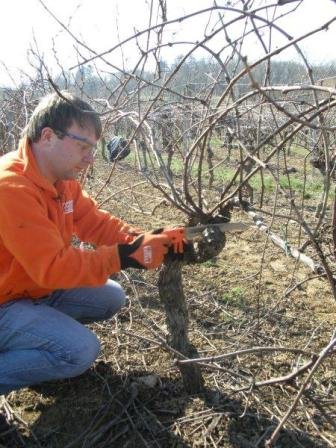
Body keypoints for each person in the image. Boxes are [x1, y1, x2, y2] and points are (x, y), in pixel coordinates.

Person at [0, 91, 170, 394]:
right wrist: (125, 256)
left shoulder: (61, 181)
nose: (91, 157)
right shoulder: (10, 187)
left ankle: (32, 346)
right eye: (83, 146)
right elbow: (53, 268)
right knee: (79, 351)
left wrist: (144, 239)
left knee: (111, 296)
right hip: (5, 300)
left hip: (29, 288)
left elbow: (96, 223)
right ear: (48, 136)